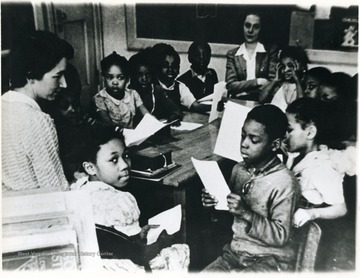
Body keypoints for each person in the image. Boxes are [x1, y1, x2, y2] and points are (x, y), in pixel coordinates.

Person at [70, 127, 189, 271]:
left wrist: (137, 235)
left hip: (93, 267)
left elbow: (115, 240)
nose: (125, 165)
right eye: (114, 160)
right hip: (127, 269)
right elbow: (140, 254)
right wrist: (162, 242)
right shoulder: (121, 201)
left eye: (126, 155)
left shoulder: (79, 190)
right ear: (90, 168)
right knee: (181, 249)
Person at [202, 105, 299, 272]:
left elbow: (280, 236)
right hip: (234, 254)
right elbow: (228, 221)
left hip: (270, 260)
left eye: (254, 140)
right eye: (243, 136)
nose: (244, 144)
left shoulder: (285, 182)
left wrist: (245, 212)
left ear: (274, 145)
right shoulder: (239, 170)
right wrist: (214, 205)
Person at [2, 30, 72, 191]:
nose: (64, 84)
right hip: (38, 210)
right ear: (31, 75)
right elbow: (55, 190)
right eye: (57, 76)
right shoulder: (37, 121)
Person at [284, 98, 347, 228]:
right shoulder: (298, 155)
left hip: (301, 230)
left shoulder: (322, 167)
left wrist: (312, 214)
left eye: (289, 130)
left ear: (310, 132)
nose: (284, 135)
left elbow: (341, 208)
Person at [225, 12, 278, 100]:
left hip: (262, 102)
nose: (250, 30)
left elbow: (272, 83)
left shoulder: (270, 52)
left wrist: (242, 87)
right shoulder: (233, 54)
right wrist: (258, 82)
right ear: (242, 26)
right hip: (238, 102)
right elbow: (230, 85)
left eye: (256, 27)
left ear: (261, 29)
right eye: (247, 25)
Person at [93, 51, 149, 129]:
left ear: (127, 79)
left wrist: (154, 123)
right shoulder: (100, 98)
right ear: (103, 77)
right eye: (110, 77)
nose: (115, 82)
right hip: (112, 136)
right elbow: (107, 122)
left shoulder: (133, 94)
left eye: (120, 77)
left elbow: (146, 114)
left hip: (130, 136)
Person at [128, 48, 183, 124]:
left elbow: (176, 110)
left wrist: (173, 117)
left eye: (148, 75)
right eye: (140, 74)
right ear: (132, 75)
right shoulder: (127, 93)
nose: (144, 79)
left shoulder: (157, 90)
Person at [152, 43, 210, 113]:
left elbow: (195, 106)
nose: (170, 69)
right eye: (165, 65)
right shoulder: (153, 85)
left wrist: (215, 107)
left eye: (174, 66)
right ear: (158, 68)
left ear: (179, 69)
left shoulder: (180, 86)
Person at [260, 46, 308, 112]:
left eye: (290, 66)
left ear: (300, 65)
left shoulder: (303, 86)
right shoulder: (282, 85)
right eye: (283, 66)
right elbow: (261, 99)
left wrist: (297, 80)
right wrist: (275, 80)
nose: (285, 70)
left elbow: (300, 107)